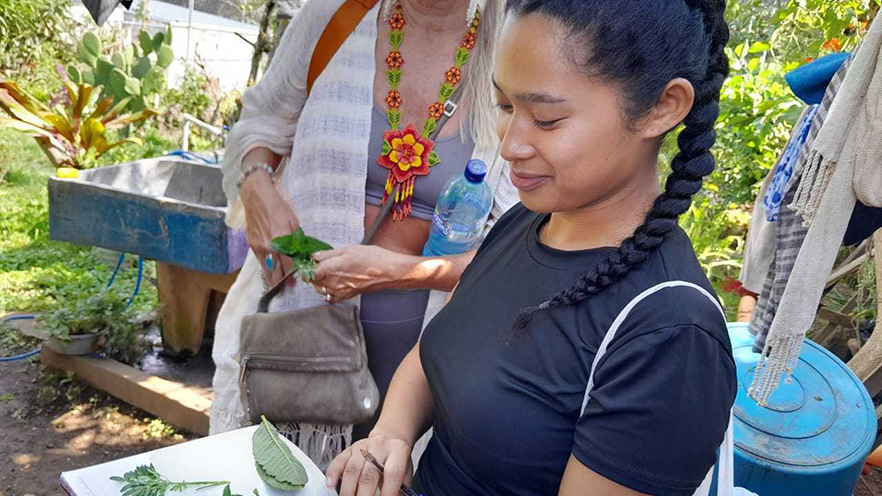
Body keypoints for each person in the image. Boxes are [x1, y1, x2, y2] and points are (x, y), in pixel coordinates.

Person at [326, 0, 738, 494]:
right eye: (505, 107)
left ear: (661, 107)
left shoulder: (670, 332)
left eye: (545, 119)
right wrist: (391, 435)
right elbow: (436, 352)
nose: (510, 144)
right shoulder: (526, 222)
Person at [211, 0, 518, 463]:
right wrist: (257, 185)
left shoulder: (515, 45)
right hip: (300, 344)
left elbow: (523, 244)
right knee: (282, 473)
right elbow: (261, 121)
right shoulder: (337, 16)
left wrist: (401, 273)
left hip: (434, 365)